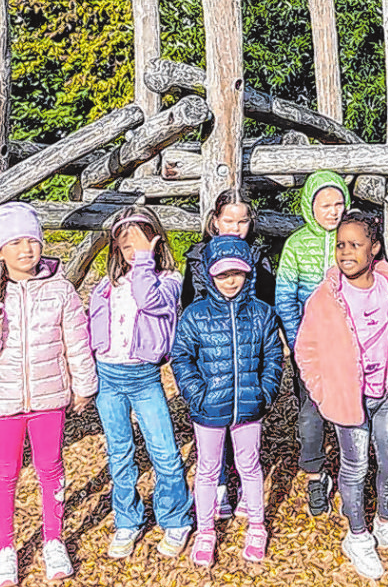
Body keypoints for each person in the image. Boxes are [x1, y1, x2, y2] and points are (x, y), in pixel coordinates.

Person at [0, 202, 97, 587]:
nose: (26, 250)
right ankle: (5, 549)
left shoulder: (61, 290)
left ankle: (54, 539)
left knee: (51, 468)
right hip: (3, 404)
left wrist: (84, 386)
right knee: (5, 473)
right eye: (15, 243)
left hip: (49, 399)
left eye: (32, 241)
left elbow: (78, 342)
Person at [294, 211, 388, 579]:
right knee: (356, 466)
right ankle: (358, 535)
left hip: (387, 393)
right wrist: (322, 390)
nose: (346, 252)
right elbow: (307, 349)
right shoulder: (325, 298)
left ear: (375, 248)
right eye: (340, 245)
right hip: (348, 398)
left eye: (355, 245)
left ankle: (385, 522)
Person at [172, 236, 284, 567]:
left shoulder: (262, 313)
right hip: (208, 409)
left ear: (248, 273)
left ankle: (257, 526)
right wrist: (196, 394)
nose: (231, 281)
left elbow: (273, 355)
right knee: (207, 468)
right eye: (222, 275)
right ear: (209, 276)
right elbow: (181, 358)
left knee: (249, 465)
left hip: (249, 406)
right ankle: (205, 529)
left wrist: (266, 391)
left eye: (237, 273)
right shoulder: (195, 315)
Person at [88, 206, 193, 560]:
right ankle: (127, 521)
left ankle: (175, 518)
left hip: (144, 378)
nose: (134, 254)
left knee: (163, 451)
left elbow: (149, 301)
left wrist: (146, 262)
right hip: (109, 377)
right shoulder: (107, 286)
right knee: (119, 453)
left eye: (140, 245)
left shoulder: (168, 280)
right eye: (126, 247)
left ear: (155, 242)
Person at [181, 189, 275, 518]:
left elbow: (267, 307)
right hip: (210, 353)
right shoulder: (197, 258)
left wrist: (266, 387)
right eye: (228, 220)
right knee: (212, 435)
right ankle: (218, 486)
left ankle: (247, 491)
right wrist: (195, 389)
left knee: (246, 437)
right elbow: (189, 305)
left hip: (247, 356)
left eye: (242, 221)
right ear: (215, 221)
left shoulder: (259, 258)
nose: (235, 227)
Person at [276, 170, 350, 515]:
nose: (333, 212)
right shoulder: (296, 245)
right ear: (311, 206)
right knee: (310, 413)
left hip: (348, 347)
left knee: (351, 410)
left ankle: (353, 469)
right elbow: (284, 297)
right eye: (325, 205)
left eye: (338, 204)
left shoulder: (352, 240)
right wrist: (297, 340)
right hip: (311, 348)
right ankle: (315, 475)